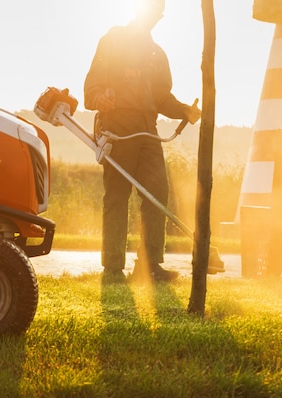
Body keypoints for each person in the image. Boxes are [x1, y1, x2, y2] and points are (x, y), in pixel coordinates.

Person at [84, 0, 201, 282]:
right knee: (117, 196)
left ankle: (149, 265)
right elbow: (92, 86)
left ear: (160, 17)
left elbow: (161, 98)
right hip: (118, 128)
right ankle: (112, 268)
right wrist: (100, 98)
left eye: (158, 13)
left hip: (148, 131)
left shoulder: (156, 54)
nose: (153, 17)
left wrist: (185, 110)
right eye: (150, 10)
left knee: (156, 193)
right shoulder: (112, 40)